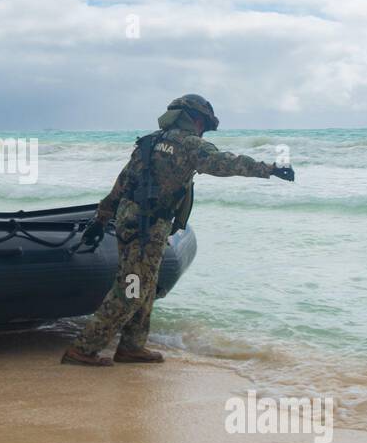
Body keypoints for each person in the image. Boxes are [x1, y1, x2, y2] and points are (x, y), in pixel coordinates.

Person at [61, 94, 295, 367]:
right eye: (203, 124)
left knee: (144, 285)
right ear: (196, 119)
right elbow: (225, 163)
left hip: (131, 221)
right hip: (148, 228)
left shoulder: (149, 143)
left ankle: (131, 347)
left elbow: (123, 183)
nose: (202, 129)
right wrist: (269, 169)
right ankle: (83, 349)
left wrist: (101, 219)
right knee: (132, 288)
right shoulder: (190, 145)